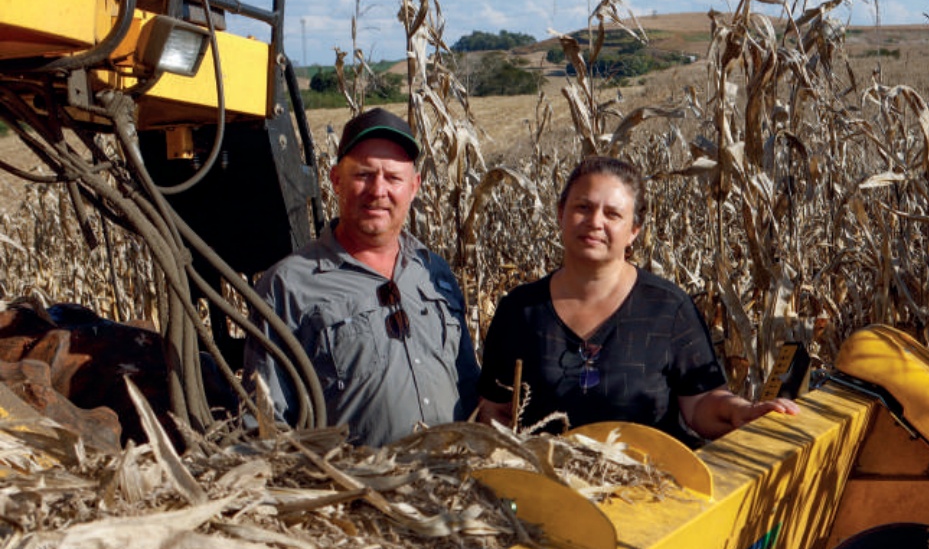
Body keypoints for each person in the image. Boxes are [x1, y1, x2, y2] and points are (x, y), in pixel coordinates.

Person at [475, 155, 796, 443]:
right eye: (582, 207)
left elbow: (700, 404)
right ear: (561, 214)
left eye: (612, 214)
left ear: (633, 230)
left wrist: (742, 412)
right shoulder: (520, 311)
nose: (595, 222)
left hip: (649, 493)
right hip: (549, 496)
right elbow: (497, 410)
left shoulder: (667, 308)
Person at [243, 107, 480, 446]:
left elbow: (470, 388)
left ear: (414, 187)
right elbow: (266, 425)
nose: (378, 190)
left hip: (451, 486)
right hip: (353, 492)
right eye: (364, 175)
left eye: (393, 178)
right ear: (336, 179)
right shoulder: (288, 286)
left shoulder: (434, 273)